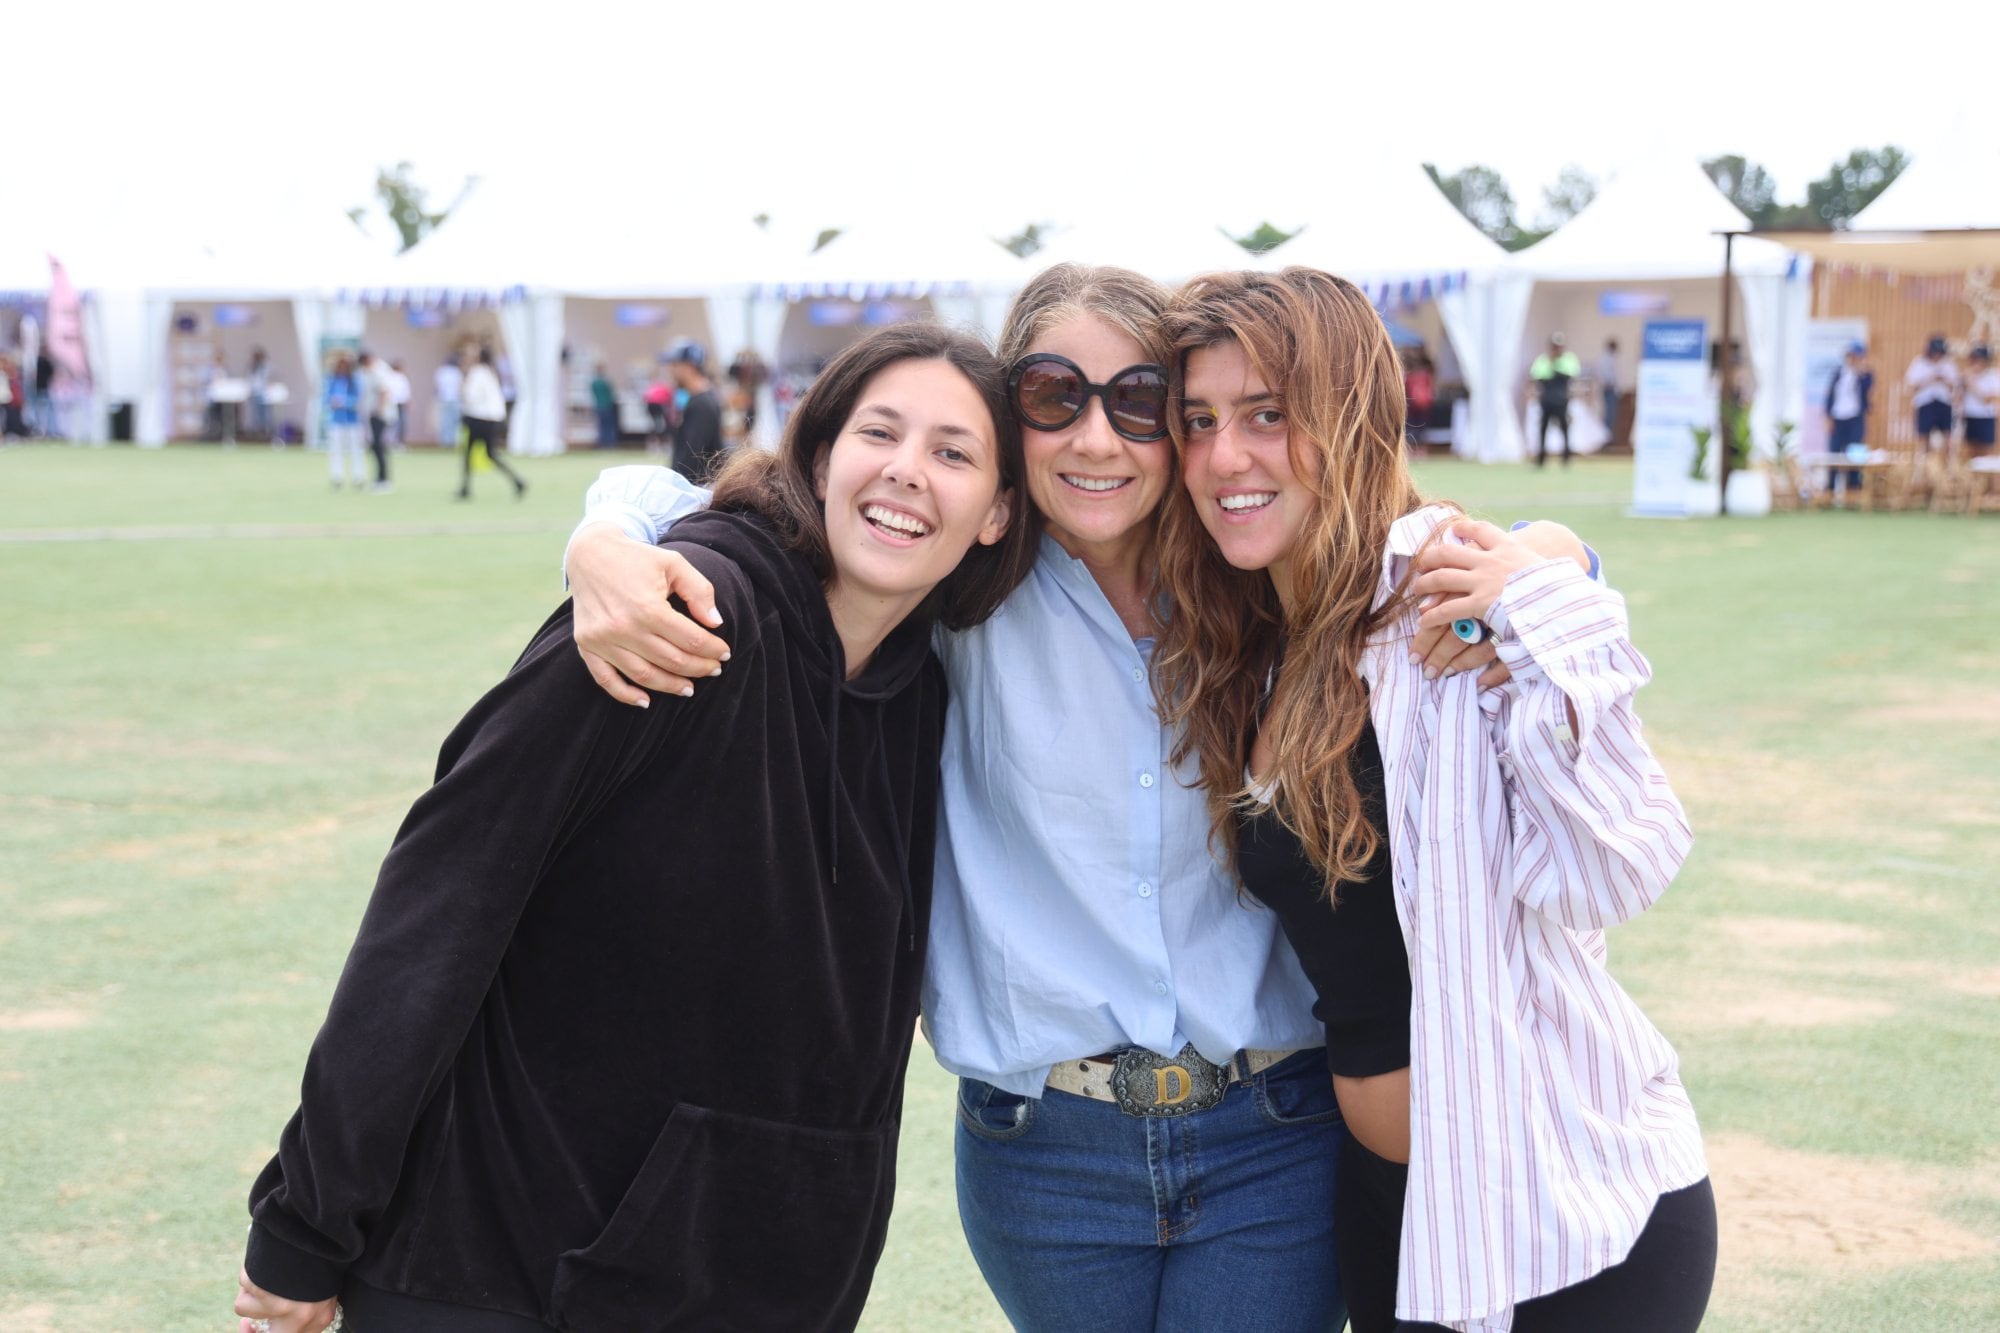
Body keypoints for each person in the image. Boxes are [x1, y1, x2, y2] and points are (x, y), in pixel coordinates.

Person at [561, 266, 1596, 1332]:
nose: (1095, 438)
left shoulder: (1257, 567)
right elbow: (715, 501)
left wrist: (1554, 550)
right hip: (1042, 1153)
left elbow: (1437, 545)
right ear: (1010, 419)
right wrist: (603, 541)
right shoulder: (953, 579)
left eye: (1139, 401)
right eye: (1054, 396)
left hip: (1274, 1135)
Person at [230, 323, 1032, 1333]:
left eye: (953, 452)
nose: (907, 469)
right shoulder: (670, 618)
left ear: (998, 511)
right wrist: (307, 1222)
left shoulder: (924, 697)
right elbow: (435, 912)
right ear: (822, 455)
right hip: (498, 1269)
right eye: (880, 432)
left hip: (750, 1291)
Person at [1154, 267, 1714, 1333]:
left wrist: (1546, 591)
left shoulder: (1437, 600)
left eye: (1268, 414)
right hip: (1394, 1216)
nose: (1224, 457)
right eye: (1199, 419)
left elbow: (1622, 864)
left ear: (1355, 418)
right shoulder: (1256, 638)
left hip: (1562, 1203)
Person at [458, 346, 527, 501]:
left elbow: (472, 397)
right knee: (489, 454)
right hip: (493, 419)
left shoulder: (477, 373)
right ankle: (516, 481)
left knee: (472, 454)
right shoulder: (490, 372)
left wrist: (463, 386)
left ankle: (466, 488)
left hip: (479, 418)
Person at [667, 341, 724, 483]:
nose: (670, 370)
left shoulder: (701, 405)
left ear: (689, 366)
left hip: (696, 488)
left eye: (674, 365)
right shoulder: (703, 399)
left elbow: (690, 460)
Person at [1824, 342, 1874, 496]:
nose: (1851, 358)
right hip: (1838, 417)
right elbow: (1829, 396)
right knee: (1834, 452)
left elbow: (1867, 390)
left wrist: (1859, 371)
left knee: (1855, 453)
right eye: (1849, 355)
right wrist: (1828, 417)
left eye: (1854, 355)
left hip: (1855, 418)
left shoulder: (1865, 374)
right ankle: (1830, 489)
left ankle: (1854, 489)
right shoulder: (1838, 372)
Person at [1528, 333, 1581, 467]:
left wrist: (1555, 368)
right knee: (1543, 428)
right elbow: (1536, 375)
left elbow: (1572, 373)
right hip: (1546, 399)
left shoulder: (1568, 359)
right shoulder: (1543, 360)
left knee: (1564, 428)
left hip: (1562, 399)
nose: (1556, 349)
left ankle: (1566, 457)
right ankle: (1541, 458)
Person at [1906, 333, 1960, 461]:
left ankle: (1948, 465)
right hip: (1925, 403)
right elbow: (1911, 386)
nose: (1937, 354)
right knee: (1923, 437)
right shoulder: (1919, 363)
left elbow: (1955, 385)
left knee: (1948, 437)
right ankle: (1923, 465)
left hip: (1944, 403)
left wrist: (1943, 379)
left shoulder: (1949, 364)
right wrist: (1929, 379)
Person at [322, 354, 366, 491]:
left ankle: (358, 477)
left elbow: (358, 400)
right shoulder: (332, 381)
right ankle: (337, 477)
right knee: (336, 451)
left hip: (352, 421)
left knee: (356, 450)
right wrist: (332, 402)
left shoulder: (355, 381)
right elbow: (325, 399)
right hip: (336, 421)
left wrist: (344, 402)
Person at [357, 352, 394, 492]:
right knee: (375, 446)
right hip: (373, 414)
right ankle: (379, 478)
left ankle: (384, 479)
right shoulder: (369, 373)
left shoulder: (378, 372)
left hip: (379, 415)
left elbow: (384, 392)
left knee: (378, 446)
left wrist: (379, 410)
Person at [1962, 345, 1996, 458]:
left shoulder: (1993, 376)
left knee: (1986, 449)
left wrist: (1972, 386)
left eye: (1979, 359)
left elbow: (1988, 399)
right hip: (1970, 415)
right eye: (1974, 359)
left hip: (1985, 416)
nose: (1976, 362)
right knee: (1970, 449)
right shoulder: (1967, 375)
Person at [1401, 347, 1434, 449]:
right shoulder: (1423, 375)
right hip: (1419, 405)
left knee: (1415, 427)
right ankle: (1418, 448)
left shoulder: (1413, 376)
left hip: (1417, 405)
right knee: (1417, 428)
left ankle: (1417, 448)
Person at [435, 351, 464, 448]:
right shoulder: (457, 372)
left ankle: (445, 442)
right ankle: (454, 441)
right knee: (455, 421)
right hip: (455, 399)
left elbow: (437, 386)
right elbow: (460, 386)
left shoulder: (441, 371)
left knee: (445, 421)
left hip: (444, 399)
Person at [1595, 337, 1621, 445]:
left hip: (1611, 389)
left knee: (1611, 414)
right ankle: (1605, 438)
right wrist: (1609, 384)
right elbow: (1606, 376)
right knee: (1609, 414)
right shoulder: (1606, 359)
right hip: (1609, 389)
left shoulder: (1610, 359)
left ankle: (1607, 437)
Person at [590, 361, 619, 447]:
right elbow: (611, 393)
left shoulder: (594, 382)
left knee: (601, 425)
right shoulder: (605, 382)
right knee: (609, 425)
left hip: (599, 406)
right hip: (607, 405)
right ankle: (610, 443)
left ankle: (602, 443)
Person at [248, 347, 272, 442]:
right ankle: (257, 433)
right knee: (255, 414)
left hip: (264, 394)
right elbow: (250, 379)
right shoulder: (252, 367)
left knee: (265, 414)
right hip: (255, 393)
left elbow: (270, 378)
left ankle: (265, 433)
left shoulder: (266, 366)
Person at [387, 359, 412, 448]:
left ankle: (399, 443)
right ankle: (390, 442)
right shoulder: (389, 377)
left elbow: (406, 392)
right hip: (392, 403)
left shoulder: (402, 377)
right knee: (392, 424)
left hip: (401, 403)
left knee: (402, 424)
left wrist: (408, 402)